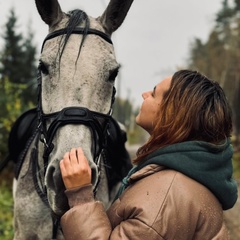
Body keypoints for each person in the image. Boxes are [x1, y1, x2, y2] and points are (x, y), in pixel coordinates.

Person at [59, 69, 238, 240]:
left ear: (173, 113)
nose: (144, 94)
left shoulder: (165, 197)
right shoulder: (182, 175)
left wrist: (81, 197)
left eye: (153, 94)